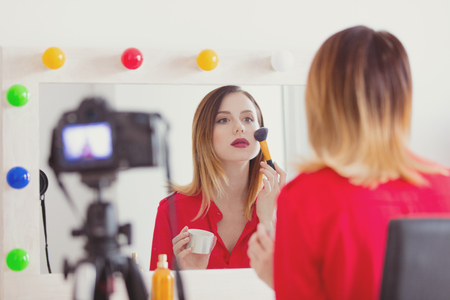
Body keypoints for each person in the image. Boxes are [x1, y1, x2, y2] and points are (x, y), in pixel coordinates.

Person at [247, 25, 450, 299]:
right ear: (402, 98)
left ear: (320, 101)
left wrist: (279, 278)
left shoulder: (306, 198)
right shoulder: (444, 186)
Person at [150, 85, 287, 270]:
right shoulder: (172, 211)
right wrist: (190, 278)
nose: (239, 128)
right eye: (223, 120)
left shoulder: (284, 207)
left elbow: (298, 289)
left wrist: (269, 222)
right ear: (205, 134)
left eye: (248, 118)